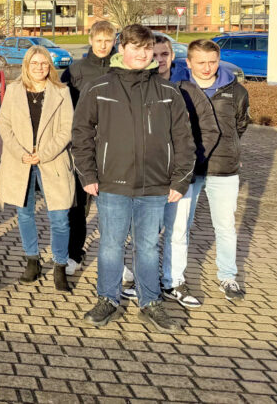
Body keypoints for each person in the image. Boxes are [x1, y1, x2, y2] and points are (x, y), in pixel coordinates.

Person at [74, 24, 195, 333]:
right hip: (112, 182)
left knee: (148, 247)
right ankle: (108, 299)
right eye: (135, 47)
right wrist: (87, 173)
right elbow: (82, 134)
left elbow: (184, 139)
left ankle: (150, 301)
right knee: (111, 246)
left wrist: (180, 180)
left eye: (146, 49)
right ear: (122, 48)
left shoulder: (168, 92)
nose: (141, 53)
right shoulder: (100, 88)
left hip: (155, 186)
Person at [170, 39, 249, 304]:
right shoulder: (178, 89)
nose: (207, 68)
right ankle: (175, 279)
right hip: (187, 170)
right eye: (201, 62)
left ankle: (228, 276)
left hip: (224, 169)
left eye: (212, 62)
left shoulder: (235, 91)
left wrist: (231, 149)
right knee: (179, 227)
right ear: (189, 62)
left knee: (225, 226)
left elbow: (240, 124)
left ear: (219, 60)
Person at [0, 45, 74, 291]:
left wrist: (44, 153)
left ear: (49, 66)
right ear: (26, 66)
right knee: (24, 213)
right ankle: (33, 260)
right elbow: (4, 124)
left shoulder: (62, 92)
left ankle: (60, 265)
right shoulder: (14, 91)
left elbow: (66, 129)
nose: (40, 68)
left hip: (52, 160)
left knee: (59, 216)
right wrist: (21, 153)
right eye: (34, 64)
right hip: (20, 162)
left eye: (44, 64)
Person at [60, 19, 116, 274]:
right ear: (91, 41)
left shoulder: (122, 68)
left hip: (115, 145)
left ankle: (115, 258)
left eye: (108, 40)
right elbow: (62, 107)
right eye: (99, 40)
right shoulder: (76, 71)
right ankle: (75, 253)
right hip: (83, 146)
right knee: (78, 205)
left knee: (114, 206)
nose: (103, 45)